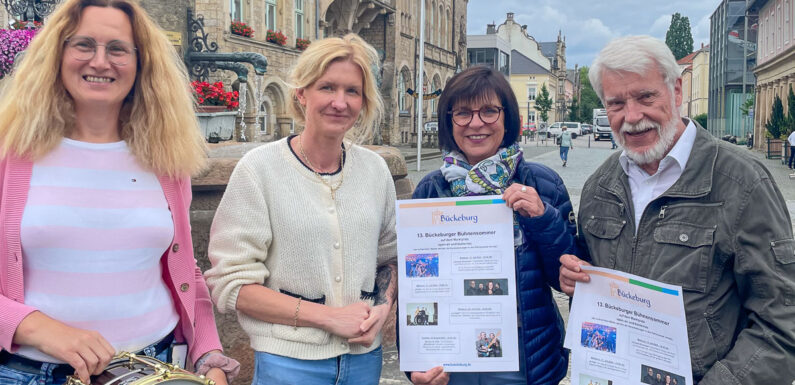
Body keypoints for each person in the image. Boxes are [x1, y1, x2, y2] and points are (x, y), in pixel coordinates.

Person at [0, 1, 239, 385]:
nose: (100, 62)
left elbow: (183, 269)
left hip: (154, 369)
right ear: (57, 53)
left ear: (141, 63)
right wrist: (33, 326)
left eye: (117, 49)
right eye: (83, 44)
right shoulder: (9, 155)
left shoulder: (164, 159)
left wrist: (208, 353)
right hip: (32, 373)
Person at [559, 35, 795, 384]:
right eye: (616, 103)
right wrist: (577, 279)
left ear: (677, 90)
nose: (632, 117)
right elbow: (594, 287)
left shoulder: (742, 183)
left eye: (646, 97)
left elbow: (782, 323)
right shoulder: (600, 186)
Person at [204, 34, 397, 385]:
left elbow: (389, 257)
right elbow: (231, 283)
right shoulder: (259, 169)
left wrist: (382, 307)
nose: (340, 102)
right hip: (289, 364)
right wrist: (327, 317)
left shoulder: (375, 170)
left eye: (352, 91)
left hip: (364, 359)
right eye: (327, 87)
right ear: (301, 93)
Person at [407, 65, 574, 385]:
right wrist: (415, 361)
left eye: (488, 111)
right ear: (449, 121)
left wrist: (543, 218)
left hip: (523, 358)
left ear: (507, 117)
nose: (476, 123)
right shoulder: (430, 189)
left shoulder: (542, 183)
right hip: (449, 358)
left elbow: (565, 280)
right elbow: (413, 285)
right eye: (463, 113)